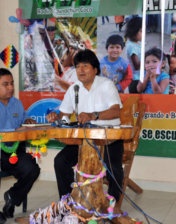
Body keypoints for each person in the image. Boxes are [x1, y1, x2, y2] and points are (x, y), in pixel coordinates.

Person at [47, 49, 124, 202]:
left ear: (95, 69)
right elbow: (64, 114)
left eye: (85, 66)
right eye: (77, 67)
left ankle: (112, 207)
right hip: (83, 141)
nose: (80, 70)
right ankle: (67, 203)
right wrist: (56, 117)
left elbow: (116, 112)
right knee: (60, 161)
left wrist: (93, 115)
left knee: (114, 169)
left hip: (108, 138)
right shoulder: (73, 88)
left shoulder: (106, 85)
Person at [0, 68, 40, 223]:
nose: (10, 87)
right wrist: (16, 130)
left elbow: (24, 118)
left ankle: (12, 196)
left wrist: (28, 121)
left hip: (15, 152)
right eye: (5, 84)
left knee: (33, 169)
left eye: (12, 83)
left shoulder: (17, 103)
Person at [125, 16, 142, 93]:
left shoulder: (138, 42)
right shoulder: (132, 47)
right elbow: (137, 66)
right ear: (134, 32)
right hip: (135, 80)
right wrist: (148, 59)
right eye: (141, 31)